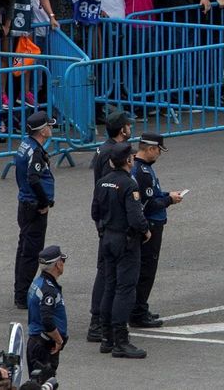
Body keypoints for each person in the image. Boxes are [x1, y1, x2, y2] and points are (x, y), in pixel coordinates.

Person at [94, 140, 149, 359]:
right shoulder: (129, 184)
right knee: (125, 289)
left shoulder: (103, 182)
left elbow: (94, 212)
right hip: (125, 241)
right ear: (128, 160)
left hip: (107, 237)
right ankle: (120, 340)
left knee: (109, 286)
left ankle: (106, 337)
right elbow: (136, 217)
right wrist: (145, 231)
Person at [86, 110, 133, 343]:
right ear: (122, 129)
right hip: (110, 223)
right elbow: (108, 189)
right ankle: (97, 322)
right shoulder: (109, 154)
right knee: (106, 273)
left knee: (108, 272)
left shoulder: (104, 150)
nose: (130, 128)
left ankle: (103, 321)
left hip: (105, 220)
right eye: (127, 125)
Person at [131, 131, 184, 328]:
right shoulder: (142, 172)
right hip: (151, 224)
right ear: (151, 149)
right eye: (158, 151)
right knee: (146, 269)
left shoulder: (143, 169)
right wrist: (170, 200)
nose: (159, 155)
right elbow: (150, 204)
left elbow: (152, 194)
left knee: (145, 268)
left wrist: (166, 194)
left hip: (151, 223)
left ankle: (140, 308)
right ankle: (138, 311)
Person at [12, 110, 57, 309]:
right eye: (49, 125)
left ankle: (19, 290)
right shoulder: (36, 151)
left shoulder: (25, 145)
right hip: (33, 206)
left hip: (25, 203)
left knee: (23, 249)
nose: (51, 128)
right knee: (31, 252)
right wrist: (43, 201)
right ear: (42, 130)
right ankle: (22, 296)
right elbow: (33, 178)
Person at [25, 246, 69, 382]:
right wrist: (59, 340)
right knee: (45, 384)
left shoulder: (38, 283)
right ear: (58, 264)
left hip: (35, 343)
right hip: (44, 347)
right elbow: (47, 321)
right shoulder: (49, 290)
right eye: (62, 261)